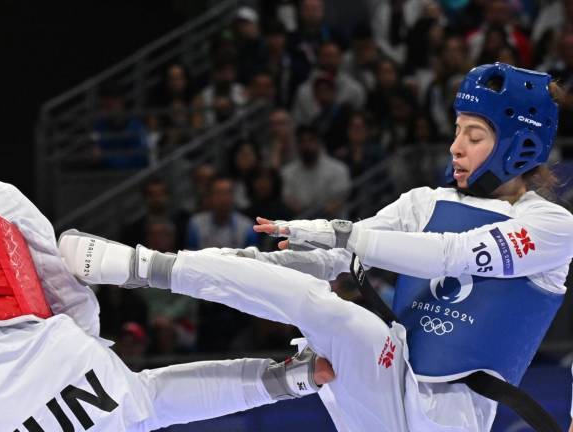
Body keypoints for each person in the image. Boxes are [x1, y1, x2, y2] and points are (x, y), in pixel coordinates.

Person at [60, 63, 573, 431]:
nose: (456, 146)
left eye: (476, 135)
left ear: (518, 146)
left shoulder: (551, 227)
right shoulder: (424, 202)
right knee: (331, 313)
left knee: (338, 312)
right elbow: (336, 259)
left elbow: (452, 254)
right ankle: (143, 265)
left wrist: (340, 231)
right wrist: (240, 261)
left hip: (449, 420)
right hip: (385, 373)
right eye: (457, 130)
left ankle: (296, 375)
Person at [0, 66, 336, 432]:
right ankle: (291, 376)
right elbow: (71, 296)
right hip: (58, 361)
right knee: (144, 399)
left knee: (144, 403)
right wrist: (83, 357)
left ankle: (291, 377)